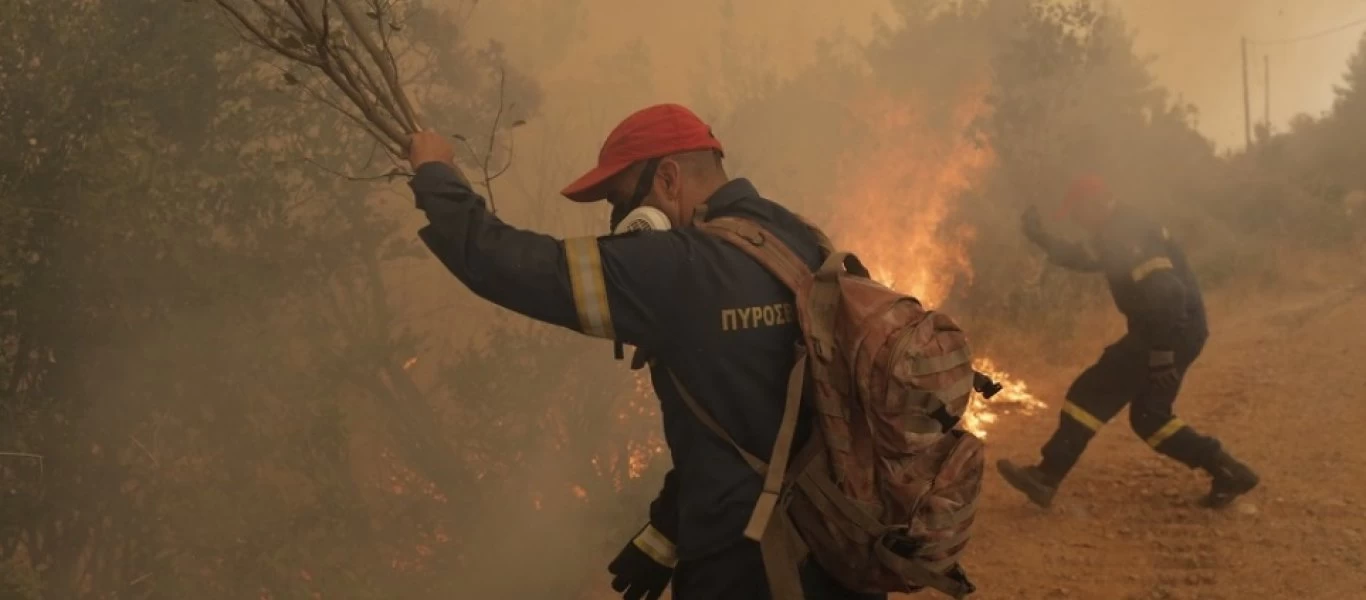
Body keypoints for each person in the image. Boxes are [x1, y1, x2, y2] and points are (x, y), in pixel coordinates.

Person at [405, 103, 880, 600]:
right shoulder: (802, 242)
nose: (619, 221)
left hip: (743, 570)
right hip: (842, 558)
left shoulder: (674, 266)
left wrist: (437, 174)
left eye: (620, 199)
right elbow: (754, 418)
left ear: (668, 178)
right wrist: (667, 531)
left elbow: (505, 264)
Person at [996, 175, 1260, 510]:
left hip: (1165, 330)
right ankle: (1229, 472)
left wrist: (1161, 353)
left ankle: (1046, 476)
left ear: (1094, 204)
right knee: (1151, 418)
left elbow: (1169, 292)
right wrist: (1041, 238)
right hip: (1182, 330)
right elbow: (1084, 257)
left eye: (1077, 213)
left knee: (1089, 394)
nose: (1077, 221)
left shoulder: (1126, 231)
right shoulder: (1118, 229)